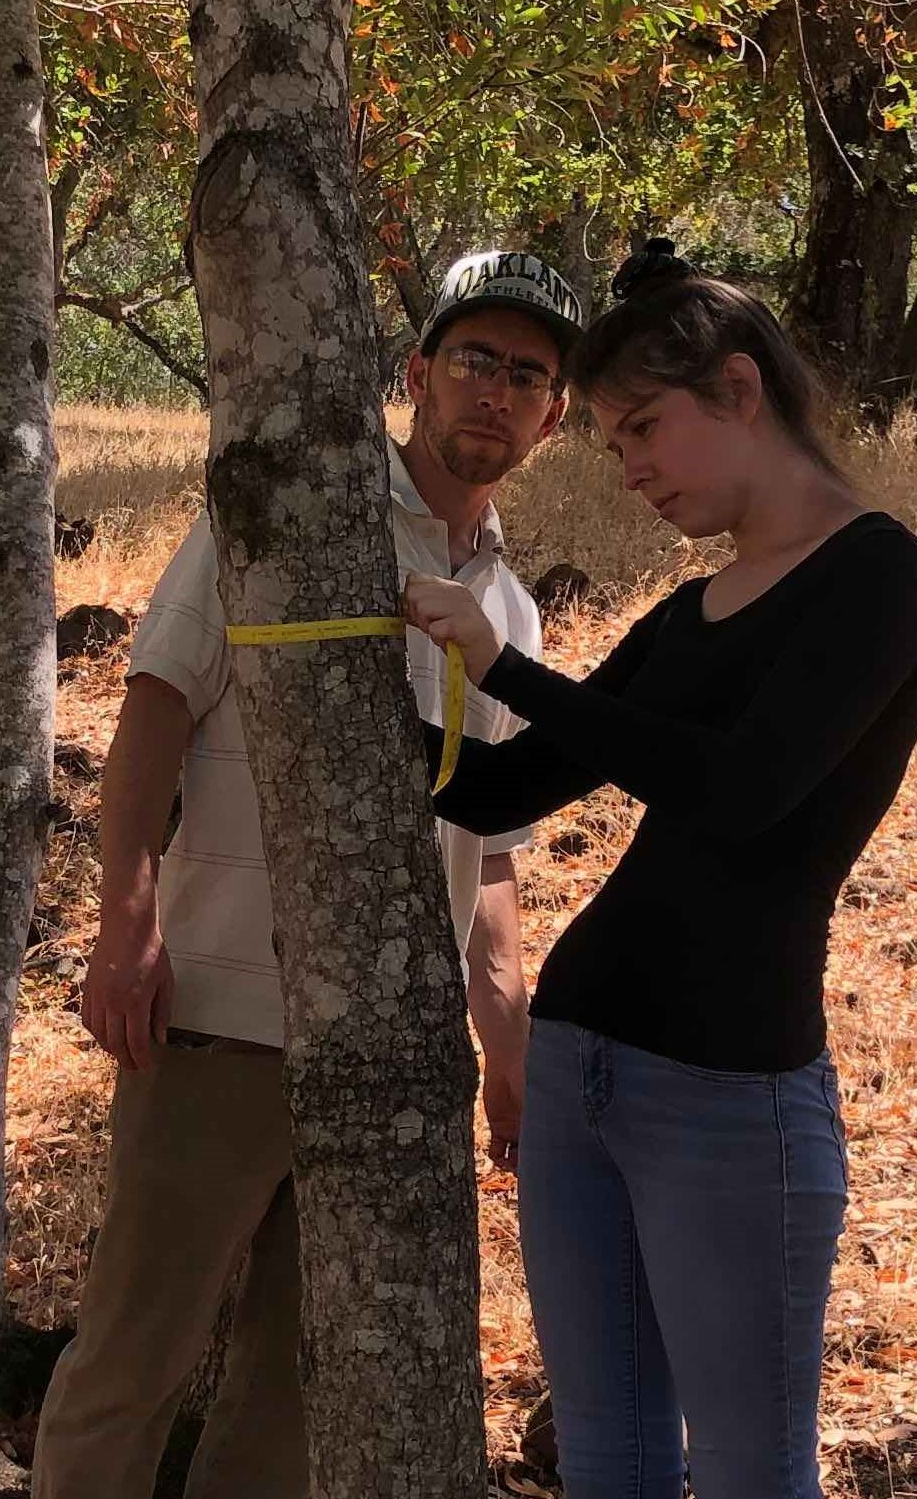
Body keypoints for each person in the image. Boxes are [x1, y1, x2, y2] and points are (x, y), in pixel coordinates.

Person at [401, 241, 917, 1499]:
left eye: (645, 427)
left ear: (742, 392)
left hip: (728, 1097)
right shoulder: (689, 611)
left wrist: (509, 671)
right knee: (613, 1456)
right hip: (577, 1065)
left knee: (755, 1471)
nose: (633, 467)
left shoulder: (880, 577)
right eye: (611, 440)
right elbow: (505, 787)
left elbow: (745, 788)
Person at [33, 249, 583, 1499]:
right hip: (219, 1027)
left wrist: (506, 1046)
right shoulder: (290, 520)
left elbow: (489, 853)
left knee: (296, 1390)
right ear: (417, 372)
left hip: (390, 1060)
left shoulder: (510, 607)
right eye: (475, 361)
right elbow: (155, 713)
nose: (494, 393)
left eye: (530, 377)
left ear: (556, 417)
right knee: (135, 1358)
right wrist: (124, 930)